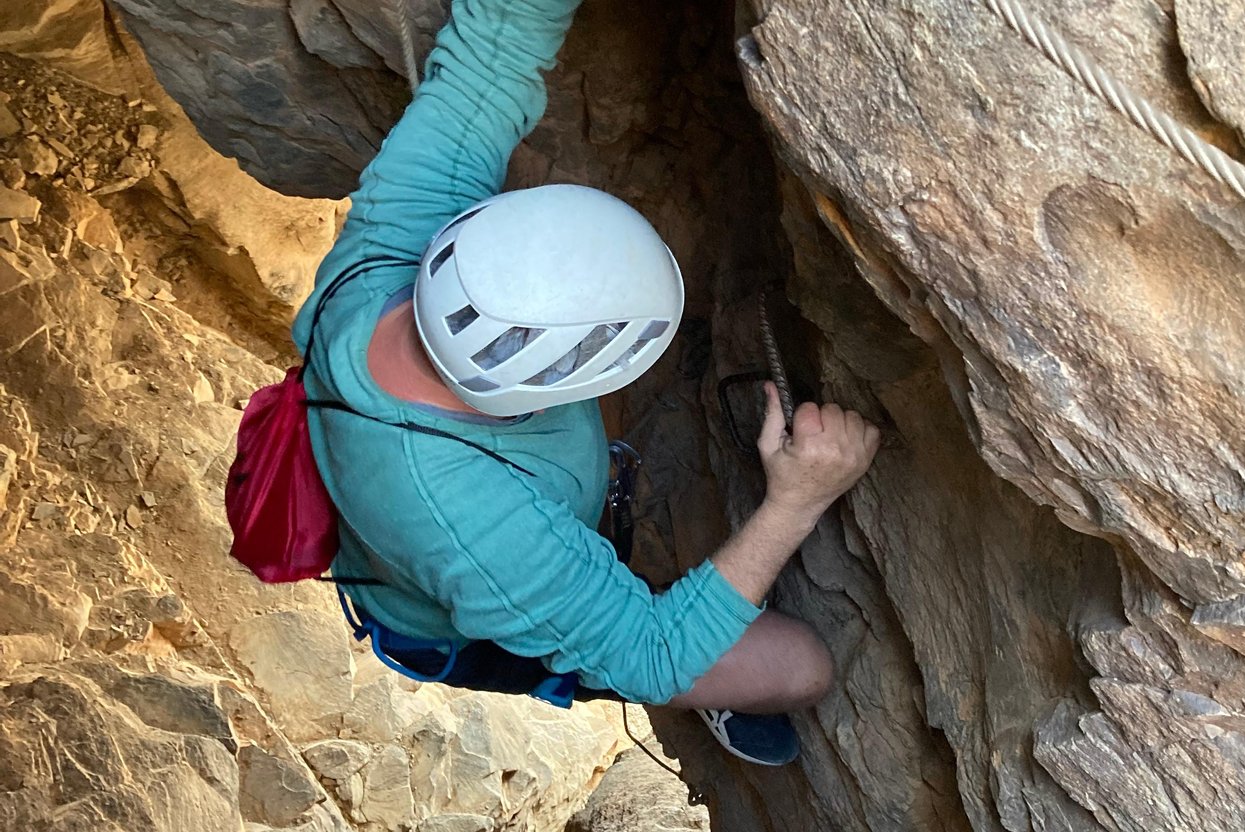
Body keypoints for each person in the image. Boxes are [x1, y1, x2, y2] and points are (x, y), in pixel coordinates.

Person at [293, 0, 879, 766]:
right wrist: (794, 501)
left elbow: (488, 58)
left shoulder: (394, 245)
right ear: (534, 395)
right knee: (800, 665)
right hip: (451, 614)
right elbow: (650, 653)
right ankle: (664, 680)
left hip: (484, 515)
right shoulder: (467, 523)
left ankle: (614, 596)